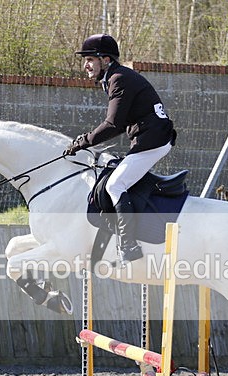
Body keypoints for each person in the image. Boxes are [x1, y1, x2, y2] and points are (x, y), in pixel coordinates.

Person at [64, 34, 176, 265]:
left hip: (153, 140)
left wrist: (83, 141)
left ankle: (129, 245)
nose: (85, 65)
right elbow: (121, 122)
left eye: (90, 60)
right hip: (150, 137)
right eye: (84, 60)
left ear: (105, 59)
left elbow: (113, 124)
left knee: (116, 184)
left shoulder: (118, 78)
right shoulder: (115, 77)